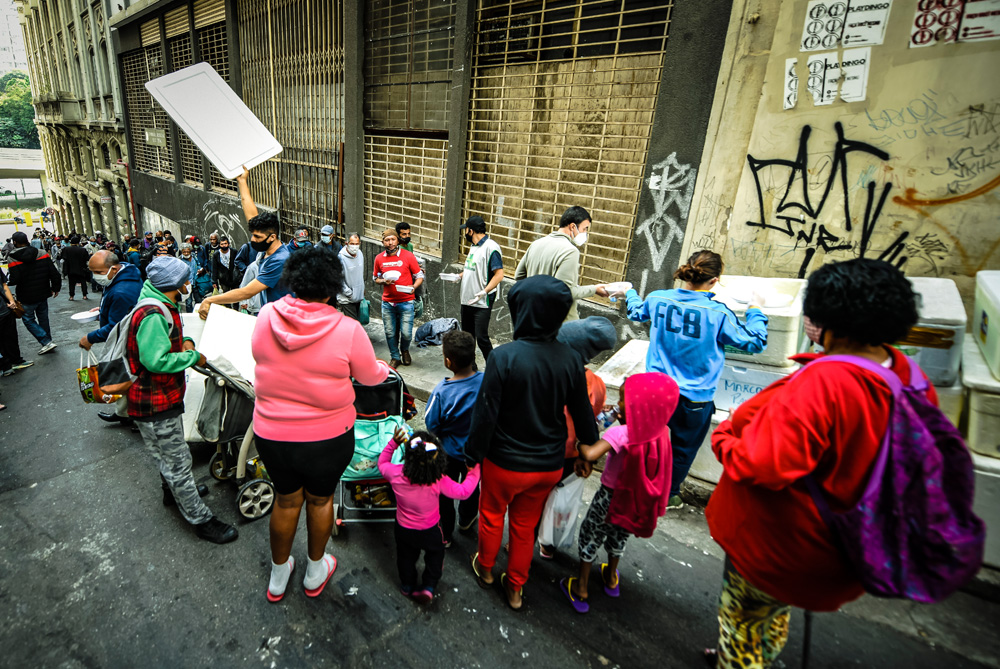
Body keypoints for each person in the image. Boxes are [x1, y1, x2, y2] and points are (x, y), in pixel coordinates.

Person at [703, 258, 936, 669]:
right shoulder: (908, 378)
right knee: (771, 613)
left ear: (831, 323)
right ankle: (759, 650)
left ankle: (739, 658)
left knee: (741, 621)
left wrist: (724, 439)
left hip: (781, 546)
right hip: (844, 546)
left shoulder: (823, 385)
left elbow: (762, 464)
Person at [252, 246, 391, 602]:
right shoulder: (347, 328)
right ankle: (316, 570)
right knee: (319, 500)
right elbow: (371, 377)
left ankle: (278, 576)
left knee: (285, 501)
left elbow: (258, 354)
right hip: (328, 439)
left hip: (272, 433)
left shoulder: (266, 315)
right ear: (332, 287)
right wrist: (381, 369)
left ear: (293, 281)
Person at [465, 275, 599, 610]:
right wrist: (589, 448)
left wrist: (472, 454)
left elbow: (486, 414)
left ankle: (485, 571)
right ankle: (516, 589)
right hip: (548, 465)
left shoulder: (504, 356)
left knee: (492, 515)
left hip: (504, 463)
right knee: (525, 527)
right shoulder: (571, 359)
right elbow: (585, 417)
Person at [625, 250, 768, 509]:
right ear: (714, 281)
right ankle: (667, 496)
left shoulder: (658, 299)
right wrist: (756, 309)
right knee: (682, 449)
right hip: (693, 398)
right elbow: (755, 341)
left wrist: (629, 292)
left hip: (655, 391)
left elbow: (636, 312)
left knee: (647, 441)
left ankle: (638, 485)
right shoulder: (718, 313)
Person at [127, 255, 237, 544]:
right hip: (154, 403)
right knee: (177, 461)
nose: (189, 283)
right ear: (175, 284)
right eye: (185, 279)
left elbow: (167, 341)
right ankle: (202, 520)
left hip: (161, 398)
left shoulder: (161, 302)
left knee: (169, 458)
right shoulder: (153, 313)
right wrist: (192, 356)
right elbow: (155, 360)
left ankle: (172, 493)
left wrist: (185, 341)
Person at [560, 372, 679, 614]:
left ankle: (581, 588)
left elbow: (592, 454)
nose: (619, 403)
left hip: (609, 498)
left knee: (592, 534)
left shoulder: (621, 434)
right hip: (634, 500)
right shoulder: (662, 432)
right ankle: (611, 577)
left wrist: (579, 443)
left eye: (625, 399)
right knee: (619, 536)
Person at [539, 315, 617, 558]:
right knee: (560, 498)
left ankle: (526, 538)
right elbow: (593, 419)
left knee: (537, 497)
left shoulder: (550, 376)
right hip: (573, 454)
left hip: (545, 450)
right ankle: (548, 545)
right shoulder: (597, 383)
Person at [379, 426, 481, 603]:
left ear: (408, 458)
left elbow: (382, 463)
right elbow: (464, 491)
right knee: (435, 556)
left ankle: (407, 585)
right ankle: (428, 586)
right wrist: (474, 470)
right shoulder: (439, 480)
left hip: (403, 530)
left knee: (405, 558)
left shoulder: (396, 474)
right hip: (431, 530)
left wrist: (394, 442)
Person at [424, 330, 484, 545]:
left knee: (444, 495)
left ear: (448, 361)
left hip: (448, 452)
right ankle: (467, 520)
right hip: (475, 453)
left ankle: (445, 534)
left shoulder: (442, 391)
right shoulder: (486, 382)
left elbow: (431, 424)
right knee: (472, 487)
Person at [80, 250, 143, 429]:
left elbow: (116, 327)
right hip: (129, 337)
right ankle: (124, 413)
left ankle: (136, 419)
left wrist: (89, 338)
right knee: (126, 375)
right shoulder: (124, 274)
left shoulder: (122, 290)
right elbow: (119, 307)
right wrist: (103, 308)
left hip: (129, 339)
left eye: (98, 272)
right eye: (92, 272)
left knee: (128, 377)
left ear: (114, 268)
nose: (95, 277)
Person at [514, 205, 609, 321]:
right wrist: (594, 289)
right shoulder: (570, 251)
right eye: (585, 229)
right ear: (572, 226)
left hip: (534, 316)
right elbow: (564, 292)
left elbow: (518, 276)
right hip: (559, 324)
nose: (585, 234)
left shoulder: (536, 244)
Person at [198, 211, 290, 319]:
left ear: (272, 237)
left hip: (281, 320)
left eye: (257, 237)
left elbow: (246, 292)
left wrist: (210, 300)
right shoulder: (267, 250)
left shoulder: (279, 260)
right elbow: (251, 213)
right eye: (252, 235)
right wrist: (244, 193)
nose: (252, 239)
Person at [373, 228, 423, 368]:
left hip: (406, 302)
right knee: (390, 333)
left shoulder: (408, 256)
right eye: (387, 240)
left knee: (406, 333)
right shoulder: (379, 258)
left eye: (393, 239)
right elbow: (375, 278)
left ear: (397, 240)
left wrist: (413, 287)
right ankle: (395, 357)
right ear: (383, 242)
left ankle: (405, 350)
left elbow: (419, 275)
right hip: (388, 303)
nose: (390, 243)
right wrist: (383, 281)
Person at [7, 231, 61, 355]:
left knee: (28, 319)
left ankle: (46, 342)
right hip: (43, 292)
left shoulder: (12, 257)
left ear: (14, 242)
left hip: (26, 295)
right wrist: (55, 287)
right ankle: (48, 341)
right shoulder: (42, 253)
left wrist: (7, 283)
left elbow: (15, 279)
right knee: (43, 318)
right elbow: (53, 272)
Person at [458, 216, 504, 361]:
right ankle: (470, 367)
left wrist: (484, 292)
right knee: (467, 337)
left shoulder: (491, 247)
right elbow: (473, 269)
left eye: (466, 229)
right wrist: (458, 276)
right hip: (467, 298)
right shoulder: (474, 246)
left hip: (482, 301)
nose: (464, 233)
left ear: (470, 231)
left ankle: (494, 369)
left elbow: (499, 274)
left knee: (482, 338)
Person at [0, 268, 33, 376]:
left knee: (11, 336)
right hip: (4, 309)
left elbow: (4, 285)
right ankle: (6, 366)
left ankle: (15, 361)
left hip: (5, 309)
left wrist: (11, 301)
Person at [337, 232, 364, 320]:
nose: (354, 246)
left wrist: (362, 289)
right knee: (354, 323)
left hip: (358, 296)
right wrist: (350, 294)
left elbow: (360, 273)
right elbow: (338, 280)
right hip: (347, 299)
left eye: (357, 244)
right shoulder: (340, 258)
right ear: (346, 243)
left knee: (357, 322)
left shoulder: (360, 253)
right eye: (352, 244)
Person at [211, 236, 242, 302]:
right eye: (222, 244)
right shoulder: (216, 254)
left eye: (225, 244)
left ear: (228, 244)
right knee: (226, 296)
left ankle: (235, 309)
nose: (224, 245)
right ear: (219, 245)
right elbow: (214, 268)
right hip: (223, 279)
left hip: (234, 278)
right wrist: (214, 281)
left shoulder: (234, 252)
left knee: (235, 296)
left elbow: (238, 263)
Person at [61, 236, 91, 301]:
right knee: (83, 282)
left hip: (70, 269)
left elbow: (63, 258)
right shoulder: (82, 250)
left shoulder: (66, 249)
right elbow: (87, 258)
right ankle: (84, 295)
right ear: (78, 243)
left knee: (71, 283)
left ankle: (71, 296)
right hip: (81, 268)